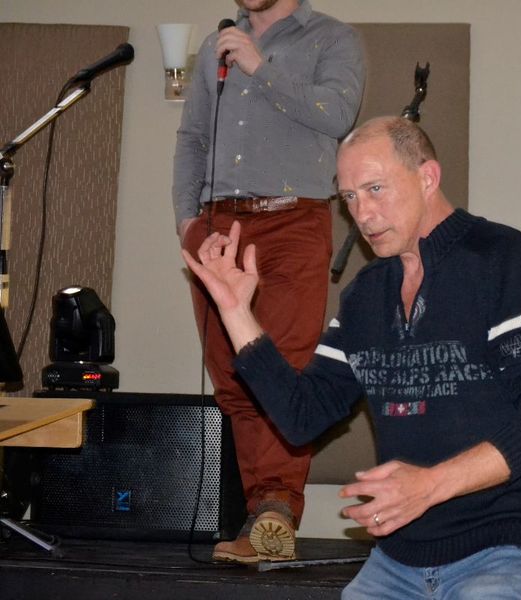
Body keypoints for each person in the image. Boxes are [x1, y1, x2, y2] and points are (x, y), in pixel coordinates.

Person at [183, 116, 521, 598]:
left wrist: (430, 485)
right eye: (349, 197)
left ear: (427, 177)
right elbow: (302, 416)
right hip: (398, 560)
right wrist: (235, 312)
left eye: (375, 189)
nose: (362, 214)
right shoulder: (366, 295)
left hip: (502, 551)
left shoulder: (503, 258)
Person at [172, 0, 365, 563]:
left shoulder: (333, 38)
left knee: (282, 368)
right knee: (231, 375)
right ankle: (259, 516)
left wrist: (260, 67)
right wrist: (186, 221)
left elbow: (338, 115)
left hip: (292, 219)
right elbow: (192, 138)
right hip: (216, 223)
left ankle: (276, 508)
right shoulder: (215, 45)